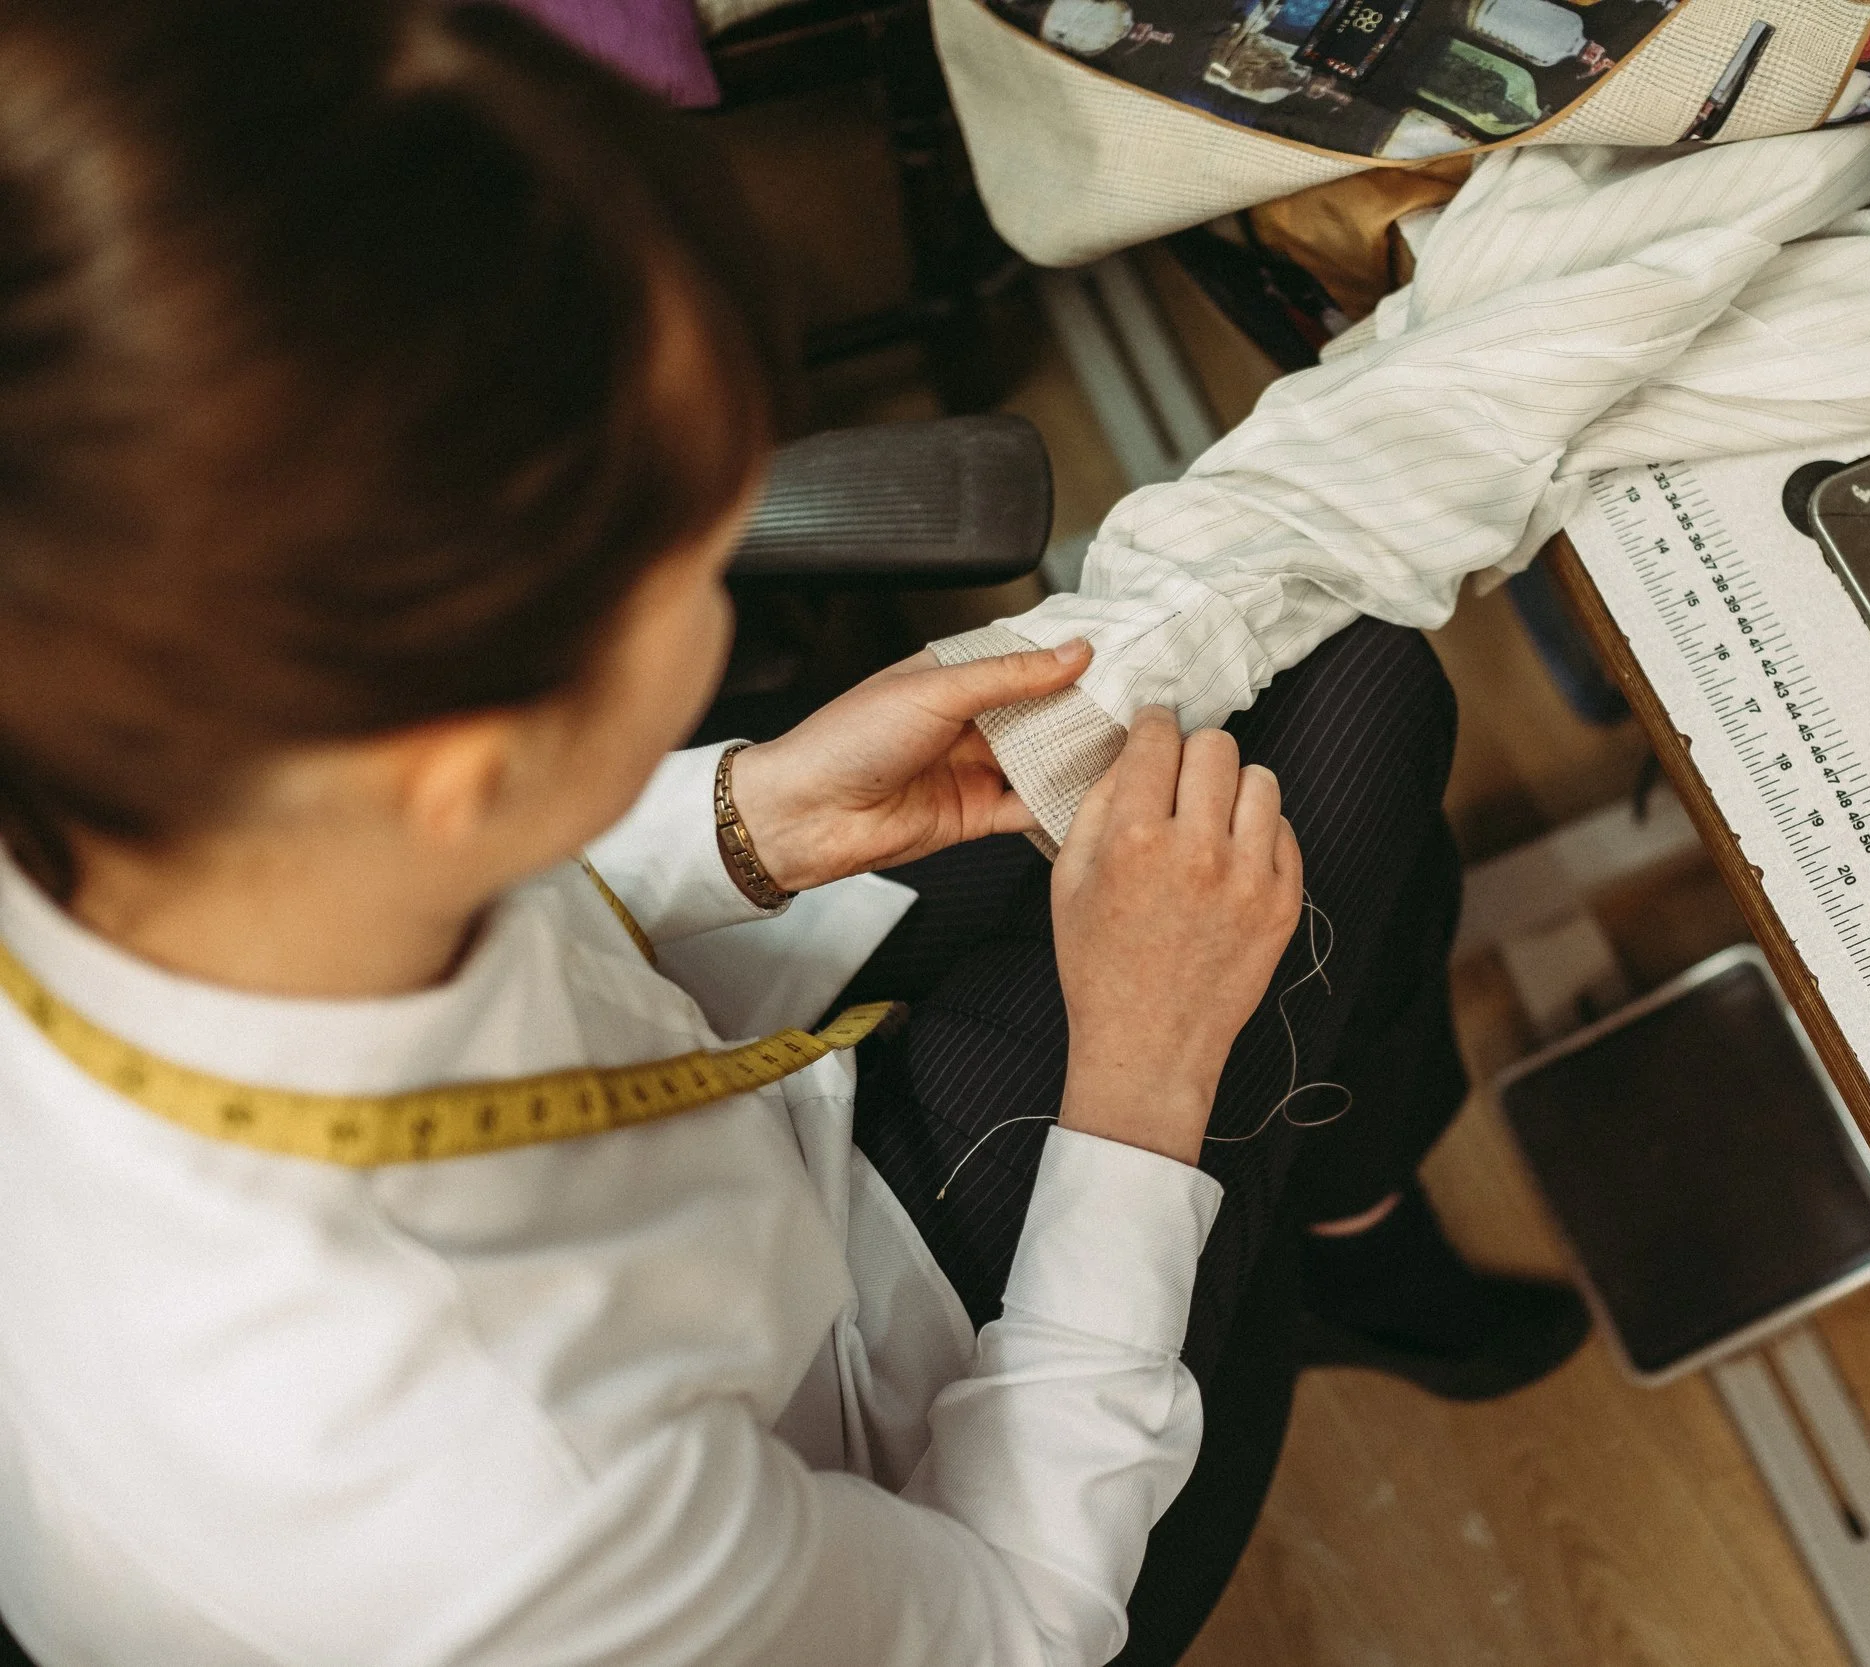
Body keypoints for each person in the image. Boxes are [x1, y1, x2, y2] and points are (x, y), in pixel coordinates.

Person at [0, 4, 1581, 1664]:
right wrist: (1145, 1080)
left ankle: (1332, 1206)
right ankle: (1321, 1236)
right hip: (923, 1507)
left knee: (1330, 693)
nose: (721, 586)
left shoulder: (114, 718)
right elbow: (1010, 1622)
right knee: (1321, 775)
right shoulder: (503, 1504)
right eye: (688, 560)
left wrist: (755, 822)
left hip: (724, 1154)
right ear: (465, 761)